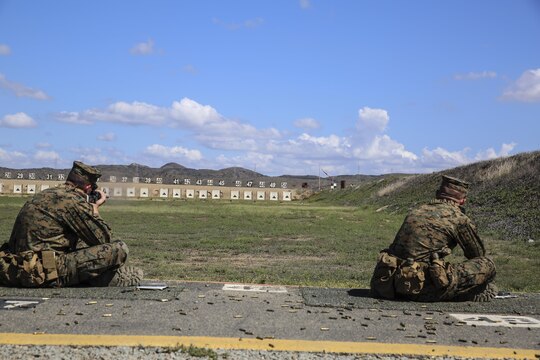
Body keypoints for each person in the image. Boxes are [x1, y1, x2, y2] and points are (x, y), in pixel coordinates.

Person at [0, 161, 143, 288]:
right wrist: (94, 209)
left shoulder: (46, 194)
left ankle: (93, 277)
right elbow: (103, 240)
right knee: (119, 249)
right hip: (41, 274)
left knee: (80, 243)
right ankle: (100, 278)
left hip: (13, 269)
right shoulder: (72, 201)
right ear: (88, 187)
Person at [370, 175, 496, 302]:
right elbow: (477, 255)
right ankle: (468, 291)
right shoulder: (458, 218)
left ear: (437, 194)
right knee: (487, 264)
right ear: (463, 200)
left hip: (388, 285)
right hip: (421, 289)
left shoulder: (416, 210)